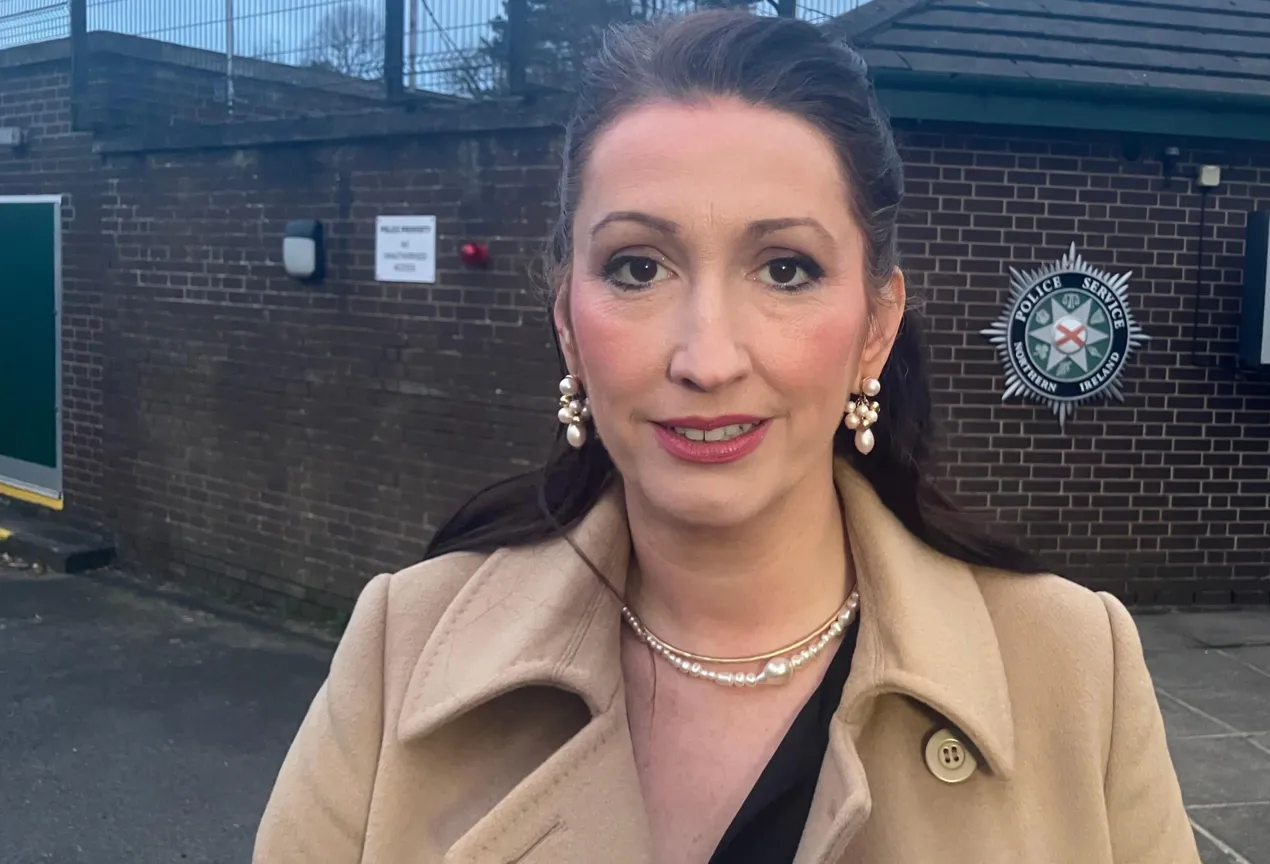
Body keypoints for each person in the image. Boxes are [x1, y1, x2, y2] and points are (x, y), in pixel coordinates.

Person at [254, 9, 1197, 864]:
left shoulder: (1076, 668)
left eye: (785, 269)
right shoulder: (402, 646)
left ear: (875, 327)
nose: (706, 358)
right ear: (567, 321)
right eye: (637, 267)